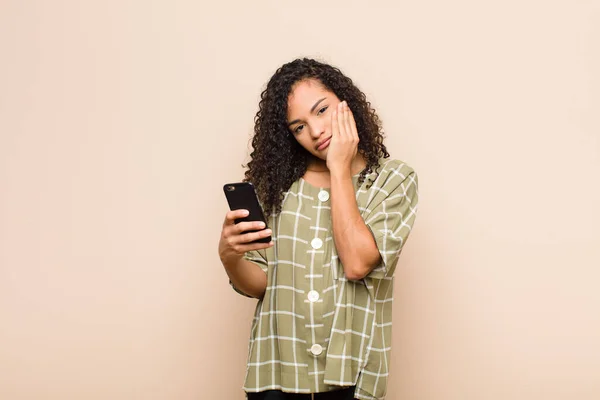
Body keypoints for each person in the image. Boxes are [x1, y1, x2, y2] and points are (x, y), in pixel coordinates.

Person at [218, 58, 419, 400]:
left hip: (351, 373)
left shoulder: (393, 180)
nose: (315, 131)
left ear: (346, 102)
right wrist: (229, 258)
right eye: (298, 127)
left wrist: (339, 167)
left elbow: (357, 263)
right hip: (276, 375)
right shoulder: (276, 187)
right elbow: (261, 284)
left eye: (322, 110)